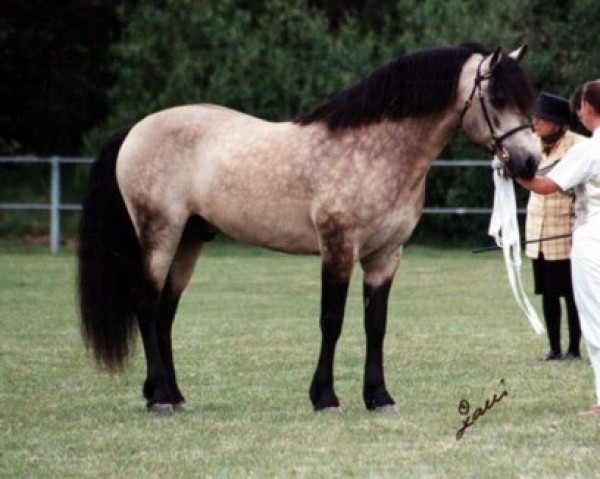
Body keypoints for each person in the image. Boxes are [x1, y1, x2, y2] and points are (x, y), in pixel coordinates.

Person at [516, 80, 600, 416]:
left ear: (590, 109)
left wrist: (515, 173)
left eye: (580, 105)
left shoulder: (587, 150)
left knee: (595, 321)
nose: (577, 111)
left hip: (592, 238)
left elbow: (545, 184)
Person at [525, 92, 583, 361]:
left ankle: (573, 348)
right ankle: (554, 348)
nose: (536, 123)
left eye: (542, 119)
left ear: (559, 123)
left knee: (571, 294)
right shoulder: (529, 144)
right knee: (547, 293)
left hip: (567, 231)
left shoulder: (578, 146)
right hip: (538, 230)